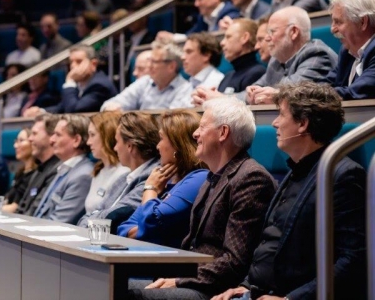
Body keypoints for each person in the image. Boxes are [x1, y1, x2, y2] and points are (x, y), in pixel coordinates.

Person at [212, 82, 366, 300]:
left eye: (281, 115)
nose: (274, 123)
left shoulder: (342, 176)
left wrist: (290, 299)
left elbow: (352, 259)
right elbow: (269, 245)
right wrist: (246, 286)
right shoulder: (295, 171)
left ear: (303, 123)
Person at [128, 97, 276, 300]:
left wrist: (179, 280)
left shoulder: (251, 178)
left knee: (122, 292)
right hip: (191, 276)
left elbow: (234, 261)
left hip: (213, 289)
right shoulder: (212, 176)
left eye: (202, 127)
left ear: (223, 133)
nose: (195, 134)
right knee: (108, 281)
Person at [118, 110, 208, 247]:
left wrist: (150, 189)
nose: (157, 146)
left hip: (173, 258)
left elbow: (151, 221)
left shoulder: (199, 178)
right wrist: (145, 230)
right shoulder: (166, 181)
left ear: (177, 144)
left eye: (161, 138)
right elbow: (124, 228)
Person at [77, 112, 160, 232]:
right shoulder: (124, 178)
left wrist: (89, 221)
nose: (115, 147)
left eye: (117, 142)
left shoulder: (152, 177)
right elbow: (97, 210)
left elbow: (114, 216)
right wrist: (91, 219)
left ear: (130, 146)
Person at [246, 7, 338, 105]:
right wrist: (251, 92)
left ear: (294, 32)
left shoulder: (317, 54)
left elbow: (291, 92)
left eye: (272, 32)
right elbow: (258, 88)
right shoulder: (277, 59)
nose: (267, 38)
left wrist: (259, 93)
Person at [32, 114, 94, 224]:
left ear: (76, 140)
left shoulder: (83, 176)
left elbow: (58, 223)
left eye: (58, 135)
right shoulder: (64, 167)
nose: (51, 140)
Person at [101, 42, 193, 111]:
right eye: (150, 61)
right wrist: (110, 108)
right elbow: (109, 104)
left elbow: (171, 123)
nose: (149, 66)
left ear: (171, 66)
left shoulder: (185, 89)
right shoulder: (145, 82)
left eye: (154, 62)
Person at [27, 45, 116, 115]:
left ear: (93, 64)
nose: (72, 66)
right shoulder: (79, 84)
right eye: (71, 62)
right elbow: (62, 107)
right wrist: (41, 112)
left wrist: (70, 80)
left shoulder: (100, 85)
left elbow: (73, 112)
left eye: (78, 61)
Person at [192, 19, 265, 104]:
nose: (222, 43)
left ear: (244, 38)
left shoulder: (256, 73)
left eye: (228, 37)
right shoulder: (228, 76)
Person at [326, 0, 375, 100]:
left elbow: (354, 93)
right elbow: (325, 84)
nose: (332, 29)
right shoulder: (347, 53)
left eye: (338, 22)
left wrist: (307, 96)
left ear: (362, 22)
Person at [156, 0, 239, 43]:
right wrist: (172, 37)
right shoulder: (203, 18)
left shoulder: (231, 13)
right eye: (196, 0)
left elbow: (212, 40)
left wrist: (174, 38)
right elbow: (191, 36)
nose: (196, 4)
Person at [12, 114, 61, 215]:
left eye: (34, 133)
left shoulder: (57, 170)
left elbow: (36, 212)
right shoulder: (39, 170)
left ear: (51, 137)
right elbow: (22, 207)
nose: (30, 139)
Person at [84, 111, 130, 213]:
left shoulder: (124, 172)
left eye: (92, 135)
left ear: (107, 136)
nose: (88, 142)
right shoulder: (99, 170)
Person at [3, 128, 38, 213]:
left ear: (32, 142)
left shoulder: (35, 175)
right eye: (16, 141)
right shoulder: (20, 173)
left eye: (21, 141)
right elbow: (7, 200)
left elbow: (15, 207)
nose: (15, 146)